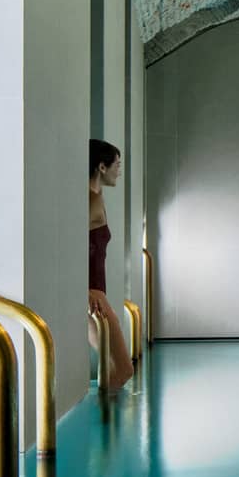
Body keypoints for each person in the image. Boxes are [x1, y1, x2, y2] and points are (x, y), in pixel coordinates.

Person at [88, 139, 134, 391]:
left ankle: (106, 420)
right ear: (101, 167)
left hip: (95, 293)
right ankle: (106, 423)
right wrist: (87, 291)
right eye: (117, 164)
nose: (119, 170)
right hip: (94, 295)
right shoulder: (90, 200)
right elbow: (77, 247)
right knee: (124, 369)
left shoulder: (96, 197)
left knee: (113, 369)